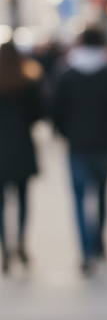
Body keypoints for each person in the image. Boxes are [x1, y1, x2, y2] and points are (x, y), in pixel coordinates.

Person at [52, 27, 107, 274]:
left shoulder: (67, 74)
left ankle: (86, 252)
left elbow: (56, 112)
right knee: (102, 194)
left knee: (79, 199)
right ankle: (99, 243)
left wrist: (69, 134)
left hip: (77, 146)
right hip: (104, 144)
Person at [0, 40, 43, 273]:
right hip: (21, 147)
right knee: (23, 199)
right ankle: (21, 243)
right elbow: (38, 113)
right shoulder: (26, 82)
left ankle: (5, 249)